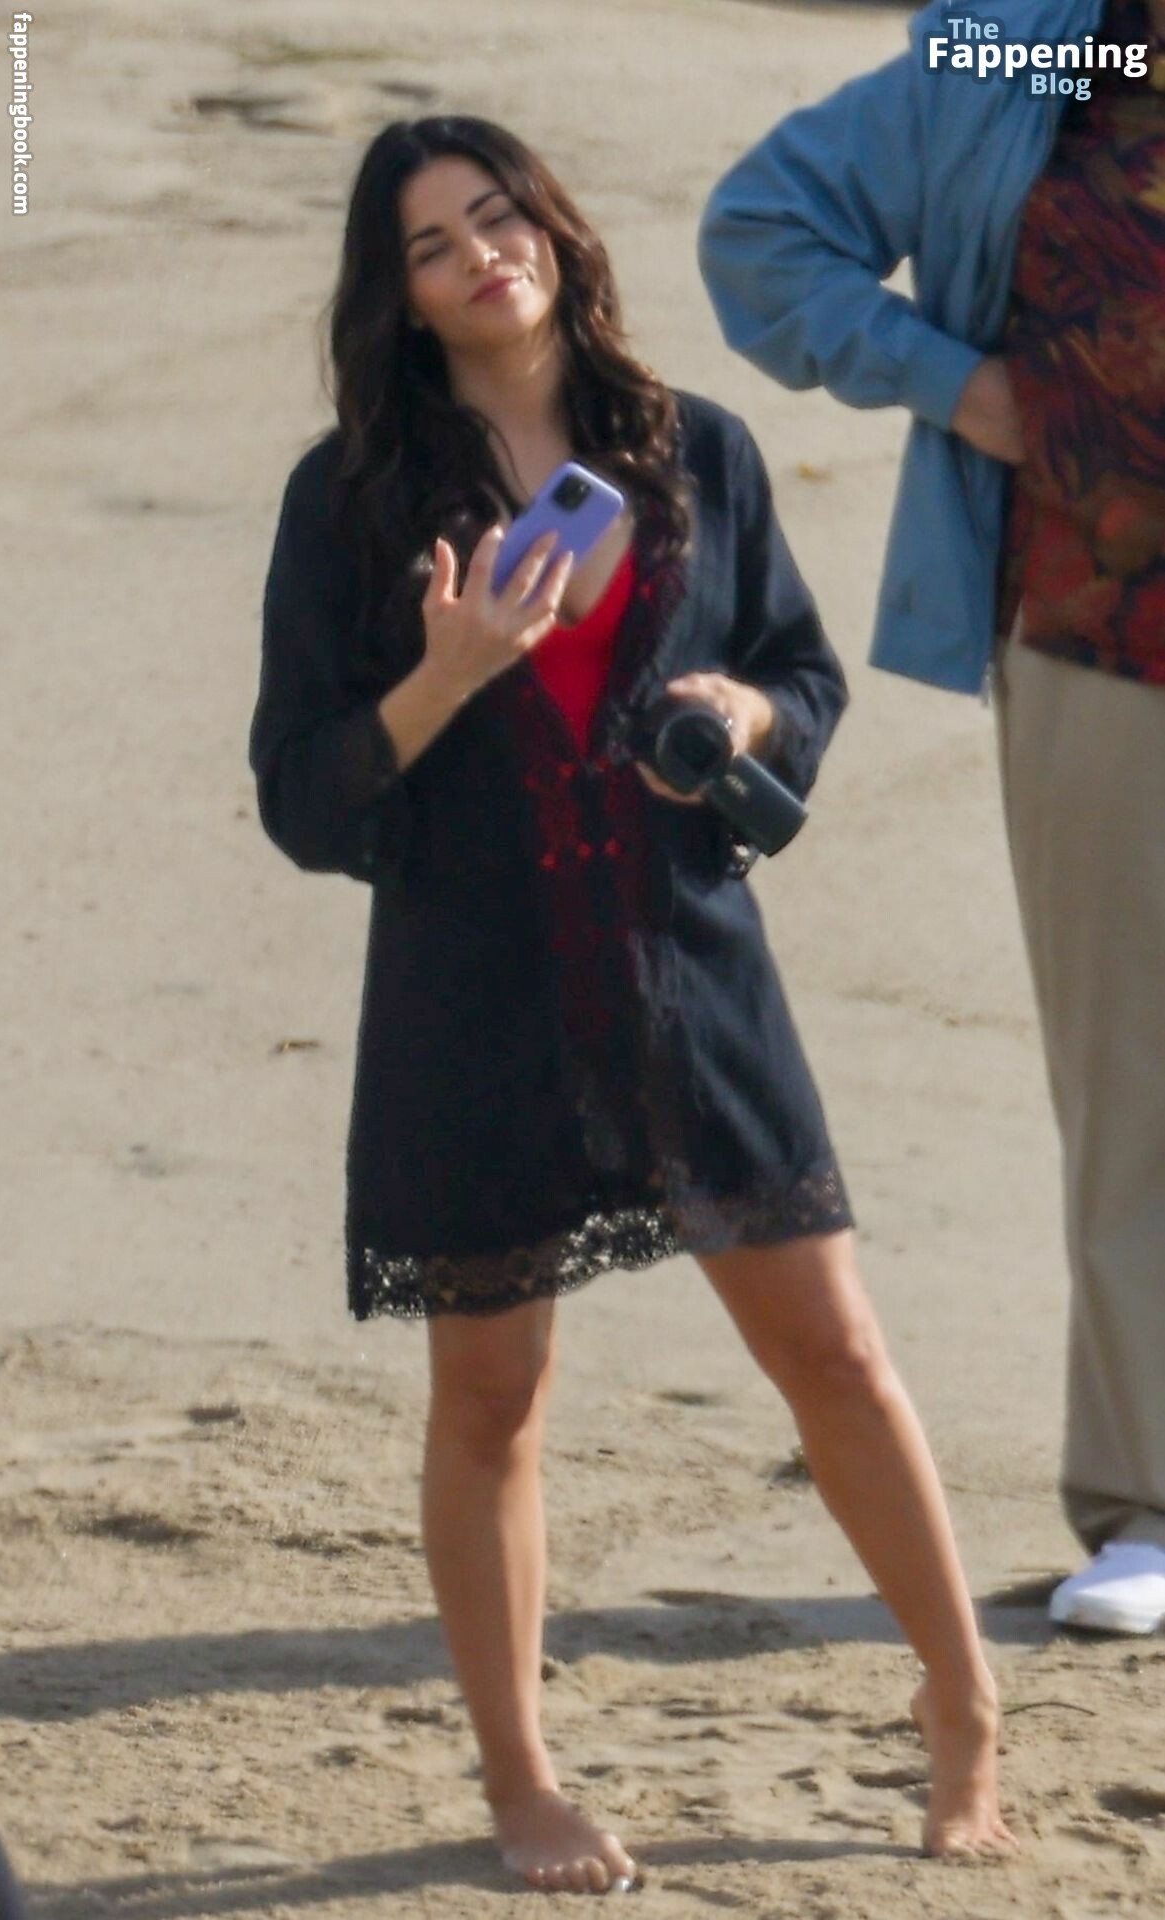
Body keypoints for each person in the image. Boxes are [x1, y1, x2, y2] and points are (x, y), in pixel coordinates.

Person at [249, 114, 1017, 1892]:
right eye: (432, 244)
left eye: (496, 216)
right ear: (401, 296)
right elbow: (299, 792)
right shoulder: (349, 498)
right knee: (490, 1398)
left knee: (835, 1355)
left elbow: (802, 678)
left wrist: (746, 715)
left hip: (687, 975)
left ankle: (962, 1703)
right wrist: (445, 678)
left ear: (554, 229)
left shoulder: (694, 451)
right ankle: (521, 1780)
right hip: (472, 996)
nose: (478, 255)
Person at [699, 0, 1165, 1638]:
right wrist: (954, 385)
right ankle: (1147, 1503)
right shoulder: (1015, 49)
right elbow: (761, 230)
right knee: (1133, 1078)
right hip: (1099, 640)